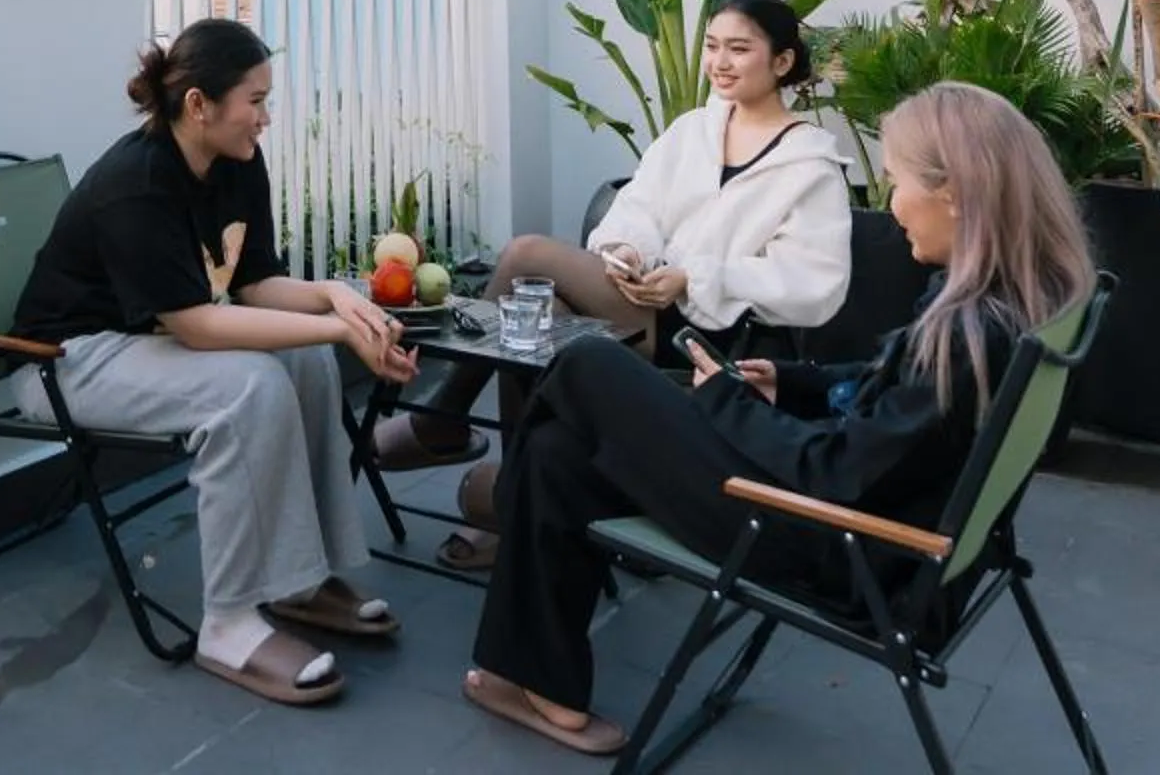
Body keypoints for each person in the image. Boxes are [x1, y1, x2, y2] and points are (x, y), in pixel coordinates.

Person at [458, 82, 1096, 756]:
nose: (890, 206)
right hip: (874, 536)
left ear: (957, 195)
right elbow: (891, 401)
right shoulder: (1005, 308)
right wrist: (793, 383)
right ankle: (528, 676)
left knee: (587, 366)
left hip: (828, 543)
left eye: (898, 184)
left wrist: (723, 401)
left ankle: (499, 500)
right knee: (560, 452)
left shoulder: (968, 338)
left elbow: (834, 474)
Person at [9, 17, 422, 708]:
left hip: (149, 342)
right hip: (68, 359)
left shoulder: (236, 163)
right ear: (199, 105)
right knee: (248, 386)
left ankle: (295, 579)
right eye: (255, 100)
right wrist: (329, 330)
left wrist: (334, 301)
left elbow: (257, 282)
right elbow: (199, 326)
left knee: (307, 365)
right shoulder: (135, 182)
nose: (266, 117)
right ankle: (228, 624)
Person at [372, 0, 855, 561]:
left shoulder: (809, 168)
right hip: (644, 299)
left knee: (527, 253)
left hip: (707, 338)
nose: (720, 62)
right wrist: (627, 249)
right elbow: (640, 208)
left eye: (740, 49)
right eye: (713, 46)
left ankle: (448, 421)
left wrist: (694, 278)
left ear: (781, 62)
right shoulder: (692, 131)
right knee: (538, 315)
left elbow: (812, 282)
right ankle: (518, 504)